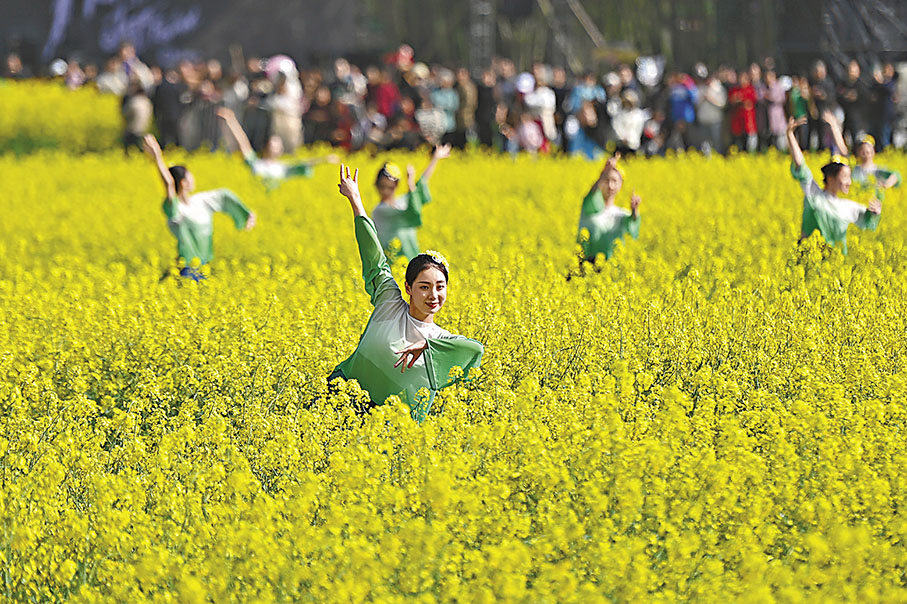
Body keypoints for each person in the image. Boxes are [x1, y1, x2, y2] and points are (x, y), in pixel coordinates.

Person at [331, 164, 484, 422]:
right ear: (408, 289)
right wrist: (356, 201)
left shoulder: (440, 340)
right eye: (424, 287)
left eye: (440, 287)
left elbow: (475, 350)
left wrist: (428, 346)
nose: (433, 295)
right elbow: (374, 257)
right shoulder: (389, 301)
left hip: (389, 427)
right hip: (341, 398)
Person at [142, 134, 256, 280]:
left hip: (205, 267)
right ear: (183, 183)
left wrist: (246, 215)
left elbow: (224, 195)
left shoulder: (201, 201)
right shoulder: (176, 211)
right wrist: (157, 157)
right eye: (190, 176)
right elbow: (169, 185)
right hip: (187, 270)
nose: (193, 178)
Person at [786, 116, 881, 254]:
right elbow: (801, 165)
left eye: (849, 177)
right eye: (845, 177)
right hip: (809, 260)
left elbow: (868, 222)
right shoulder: (814, 196)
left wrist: (875, 212)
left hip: (834, 267)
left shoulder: (847, 206)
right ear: (830, 179)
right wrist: (790, 135)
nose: (849, 182)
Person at [217, 107, 337, 190]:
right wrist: (231, 120)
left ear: (280, 151)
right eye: (271, 144)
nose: (272, 147)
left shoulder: (282, 168)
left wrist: (324, 159)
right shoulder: (256, 163)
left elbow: (304, 164)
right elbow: (243, 144)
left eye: (276, 145)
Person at [371, 144, 451, 261]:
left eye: (390, 187)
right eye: (382, 186)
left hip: (411, 259)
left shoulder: (401, 202)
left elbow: (420, 185)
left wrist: (435, 158)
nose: (385, 191)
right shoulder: (380, 211)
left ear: (396, 186)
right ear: (376, 186)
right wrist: (410, 184)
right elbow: (412, 211)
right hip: (394, 263)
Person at [576, 153, 641, 267]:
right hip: (585, 265)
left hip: (609, 269)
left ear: (621, 185)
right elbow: (591, 196)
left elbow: (632, 228)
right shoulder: (590, 207)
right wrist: (603, 173)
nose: (610, 186)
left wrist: (635, 211)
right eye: (606, 180)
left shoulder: (622, 214)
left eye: (615, 181)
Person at [850, 134, 902, 201]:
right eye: (863, 152)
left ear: (873, 152)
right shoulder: (854, 170)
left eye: (868, 151)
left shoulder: (878, 170)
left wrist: (885, 185)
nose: (865, 154)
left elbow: (897, 175)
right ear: (858, 153)